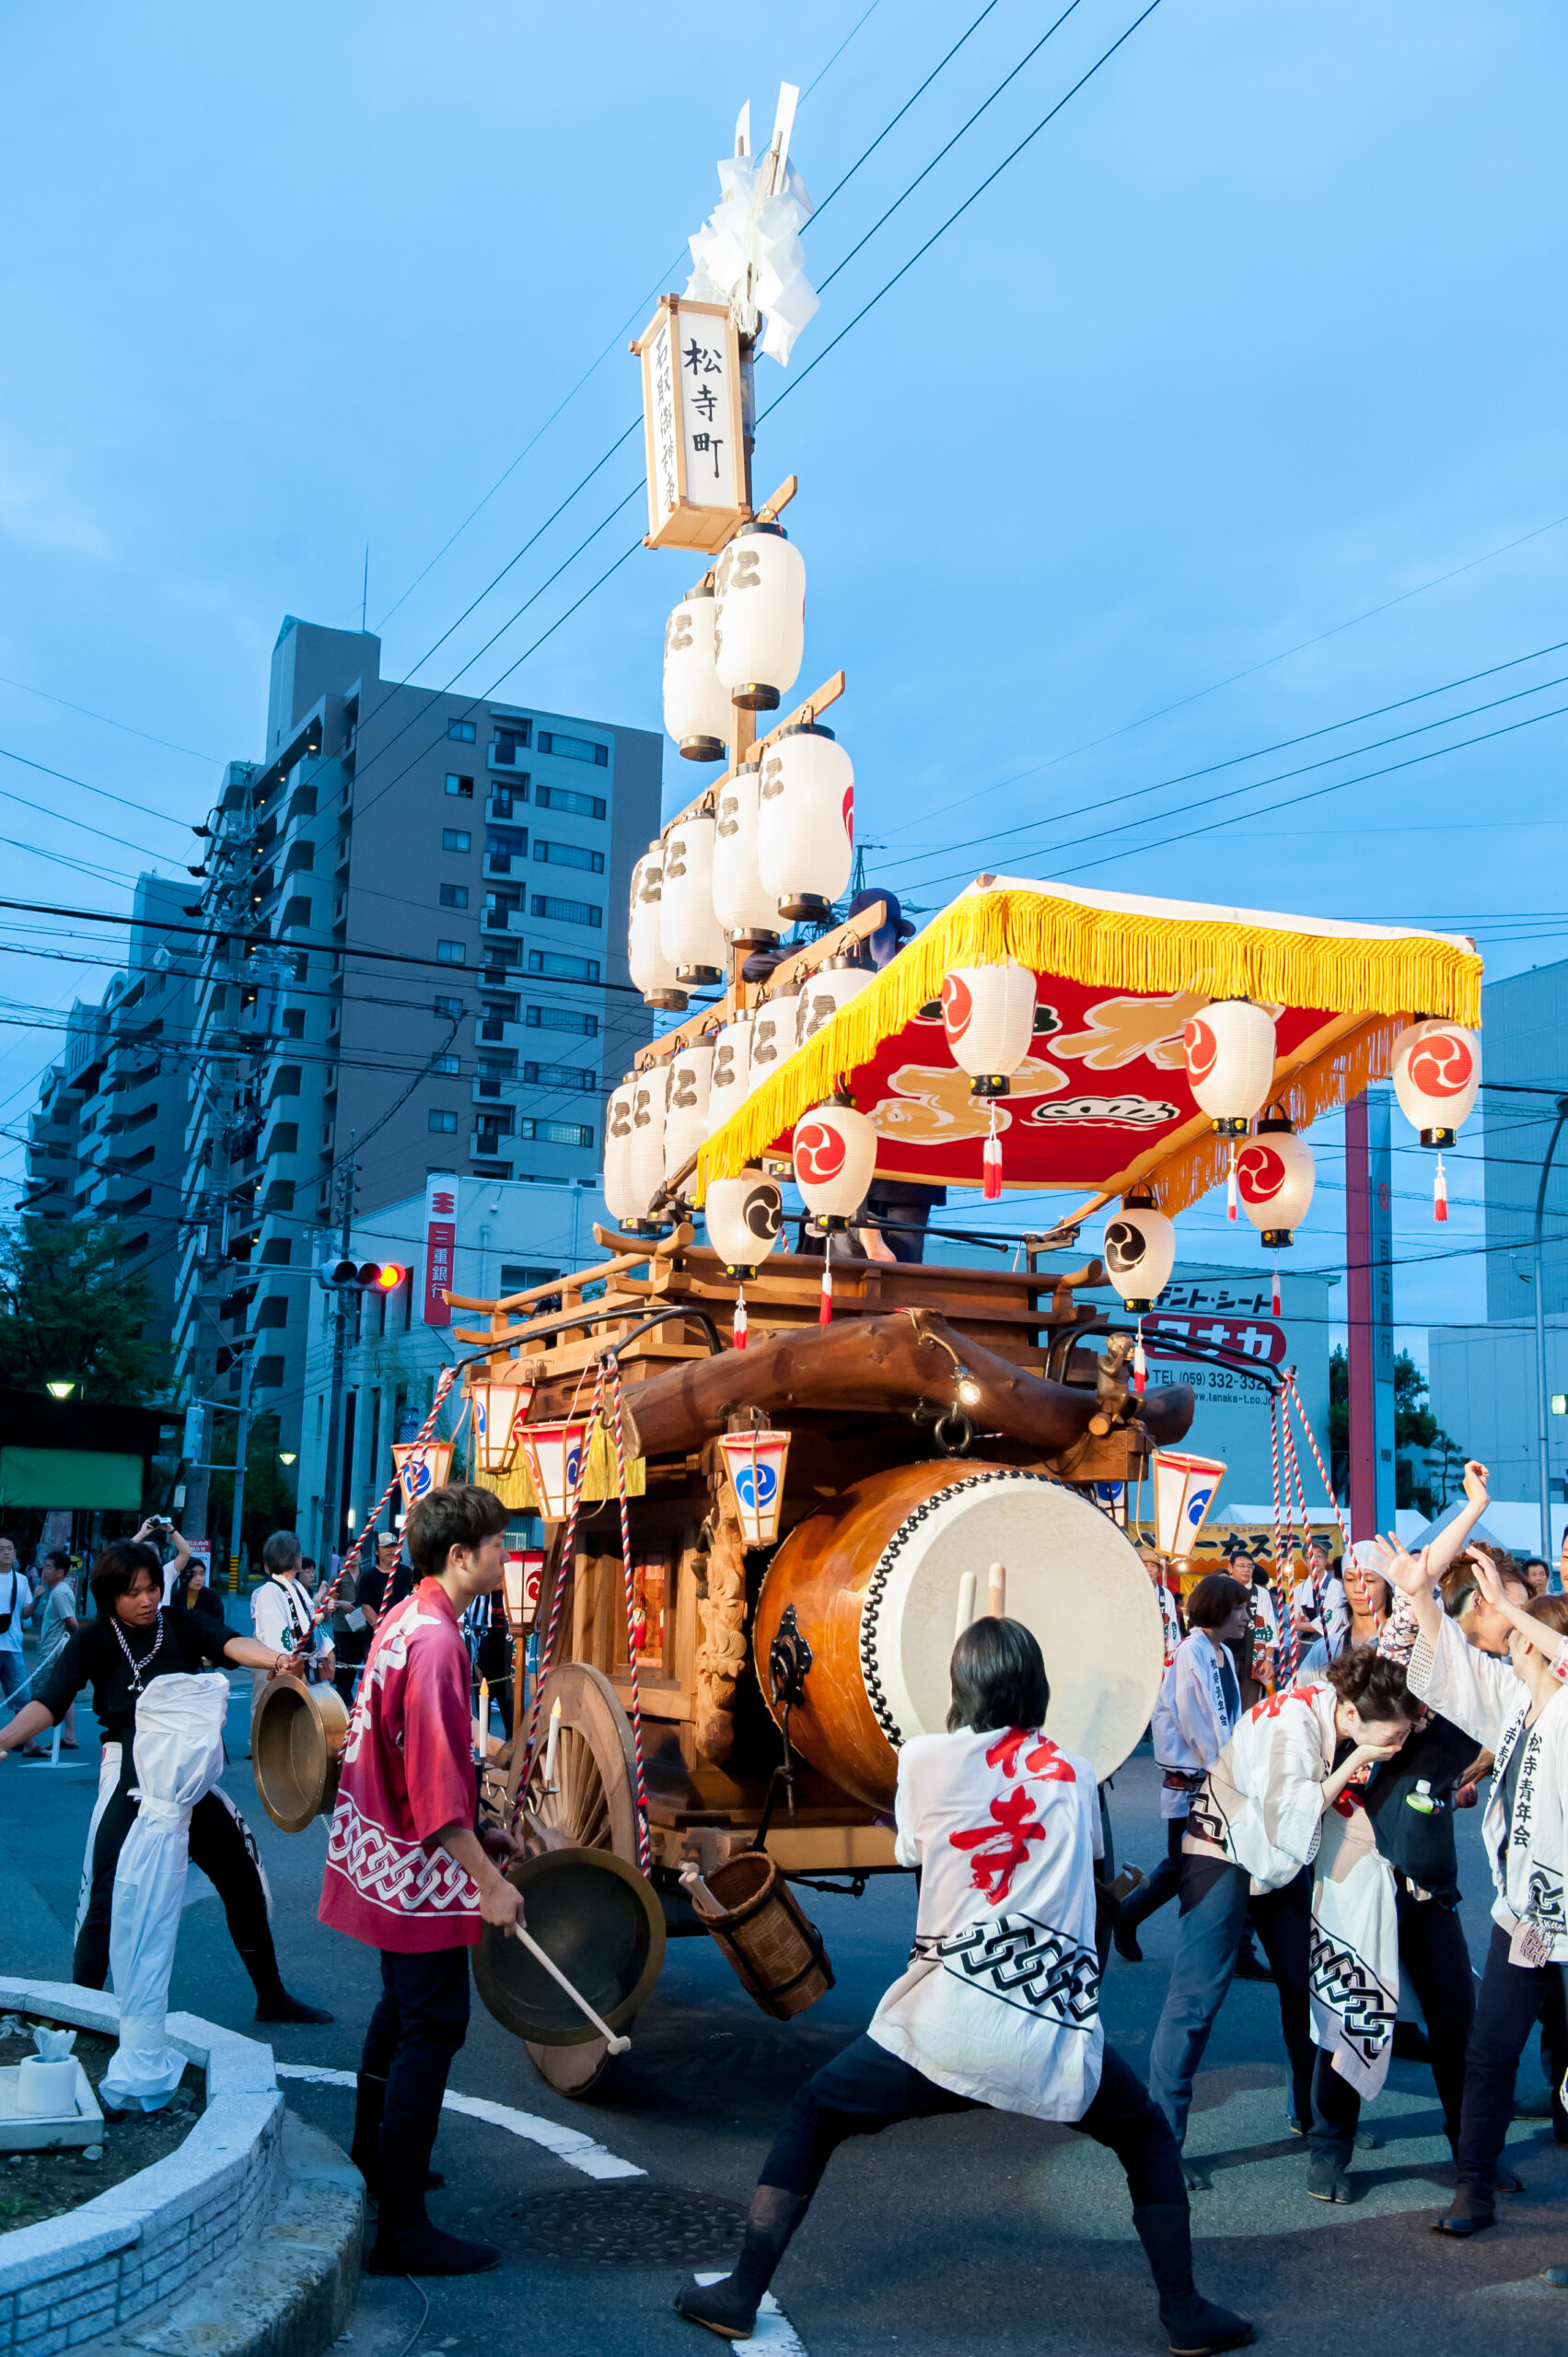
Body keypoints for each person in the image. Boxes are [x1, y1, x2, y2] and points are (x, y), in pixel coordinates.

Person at [677, 1618, 1252, 2354]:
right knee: (1142, 2135)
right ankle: (1183, 2311)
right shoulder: (1074, 1773)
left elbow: (914, 1847)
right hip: (1048, 2027)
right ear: (1037, 1688)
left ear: (958, 1687)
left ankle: (740, 2292)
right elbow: (1093, 1867)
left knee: (817, 2113)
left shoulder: (922, 1760)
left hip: (942, 2019)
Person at [319, 1483, 525, 2280]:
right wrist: (489, 1880)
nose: (507, 1555)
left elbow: (418, 1758)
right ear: (460, 1554)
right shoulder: (438, 1640)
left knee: (400, 2014)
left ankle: (376, 2162)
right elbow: (438, 1788)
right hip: (419, 1861)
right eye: (499, 1544)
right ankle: (400, 2228)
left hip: (380, 1845)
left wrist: (483, 1824)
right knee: (432, 2029)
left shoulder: (404, 1616)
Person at [0, 1537, 331, 2023]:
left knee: (242, 1880)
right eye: (133, 1592)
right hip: (130, 1779)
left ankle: (272, 1995)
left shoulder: (178, 1624)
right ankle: (77, 2010)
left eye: (153, 1587)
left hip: (190, 1780)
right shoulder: (92, 1640)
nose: (147, 1599)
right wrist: (4, 1739)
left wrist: (275, 1661)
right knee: (105, 1898)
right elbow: (49, 1704)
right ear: (109, 1594)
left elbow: (229, 1643)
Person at [1146, 1647, 1414, 2178]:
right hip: (1222, 1846)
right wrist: (1359, 1760)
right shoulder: (1295, 1725)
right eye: (1393, 1735)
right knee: (1195, 2000)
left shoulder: (1325, 1702)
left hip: (1278, 1856)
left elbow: (1291, 1831)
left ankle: (1312, 2113)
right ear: (1354, 1716)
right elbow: (1294, 1816)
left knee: (1303, 1983)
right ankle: (1160, 2146)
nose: (1399, 1745)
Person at [1383, 1532, 1568, 2237]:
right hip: (1523, 1915)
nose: (1502, 1641)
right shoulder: (1514, 1704)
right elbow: (1451, 1663)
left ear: (1537, 1645)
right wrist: (1418, 1594)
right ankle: (1472, 2188)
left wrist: (1503, 1604)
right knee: (1489, 2050)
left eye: (1518, 1634)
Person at [1114, 1574, 1250, 1962]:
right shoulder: (1193, 1651)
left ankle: (1235, 1946)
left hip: (1217, 1774)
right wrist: (1224, 1769)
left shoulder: (1218, 1652)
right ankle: (1128, 1915)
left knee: (1208, 1861)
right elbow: (1195, 1722)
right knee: (1182, 1865)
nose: (1245, 1617)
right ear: (1219, 1610)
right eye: (1239, 1609)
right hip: (1198, 1779)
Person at [250, 1530, 333, 1713]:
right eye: (299, 1553)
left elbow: (311, 1624)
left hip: (301, 1665)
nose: (302, 1556)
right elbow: (279, 1639)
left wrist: (327, 1652)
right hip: (283, 1667)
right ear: (292, 1557)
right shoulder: (270, 1591)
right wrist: (298, 1671)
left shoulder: (297, 1588)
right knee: (274, 1716)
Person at [33, 1550, 79, 1749]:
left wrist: (69, 1644)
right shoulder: (59, 1590)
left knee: (36, 1693)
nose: (45, 1571)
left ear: (60, 1572)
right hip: (55, 1651)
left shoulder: (60, 1592)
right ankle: (69, 1737)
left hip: (53, 1653)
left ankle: (27, 1739)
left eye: (50, 1567)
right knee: (64, 1693)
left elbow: (71, 1622)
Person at [0, 1536, 39, 1752]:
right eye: (2, 1549)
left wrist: (38, 1599)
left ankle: (22, 1740)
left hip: (14, 1645)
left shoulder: (21, 1580)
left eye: (10, 1548)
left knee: (22, 1695)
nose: (6, 1552)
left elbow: (25, 1613)